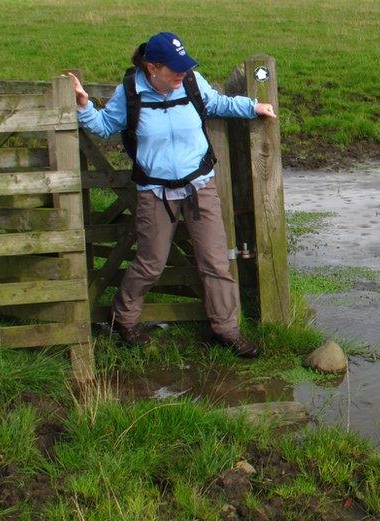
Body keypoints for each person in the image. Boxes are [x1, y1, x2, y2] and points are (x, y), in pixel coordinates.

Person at [70, 32, 277, 358]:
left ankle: (227, 331)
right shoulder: (130, 92)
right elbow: (105, 126)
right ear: (152, 68)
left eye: (185, 68)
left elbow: (216, 103)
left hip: (200, 187)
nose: (182, 74)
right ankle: (123, 318)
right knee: (151, 262)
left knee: (215, 261)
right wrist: (83, 107)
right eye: (174, 70)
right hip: (155, 193)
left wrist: (254, 106)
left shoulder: (191, 82)